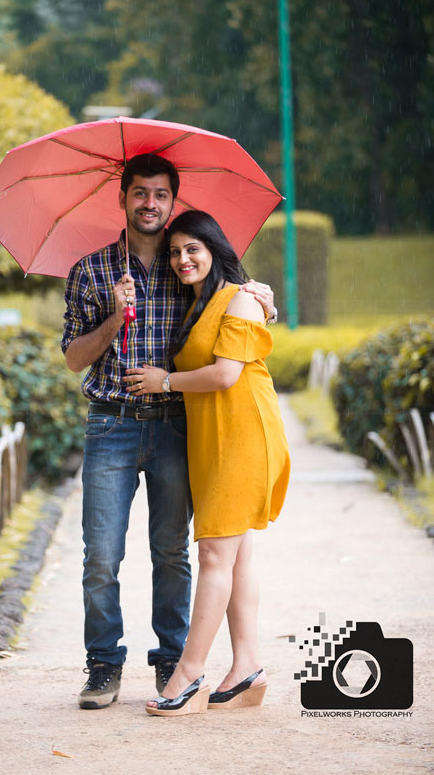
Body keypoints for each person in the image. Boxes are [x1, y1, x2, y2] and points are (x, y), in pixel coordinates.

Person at [62, 155, 276, 710]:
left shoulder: (189, 266)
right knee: (101, 557)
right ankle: (104, 665)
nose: (149, 203)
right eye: (140, 193)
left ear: (172, 202)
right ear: (124, 198)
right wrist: (114, 317)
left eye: (160, 194)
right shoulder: (91, 271)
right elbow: (71, 358)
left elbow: (234, 304)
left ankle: (172, 662)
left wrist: (263, 299)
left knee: (174, 554)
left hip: (179, 427)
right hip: (110, 425)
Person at [122, 210, 290, 716]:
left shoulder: (240, 297)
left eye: (193, 248)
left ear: (216, 249)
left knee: (216, 555)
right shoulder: (198, 302)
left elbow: (224, 375)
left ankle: (188, 675)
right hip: (215, 438)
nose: (181, 259)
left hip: (243, 435)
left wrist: (164, 381)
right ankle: (247, 668)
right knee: (238, 557)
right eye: (174, 252)